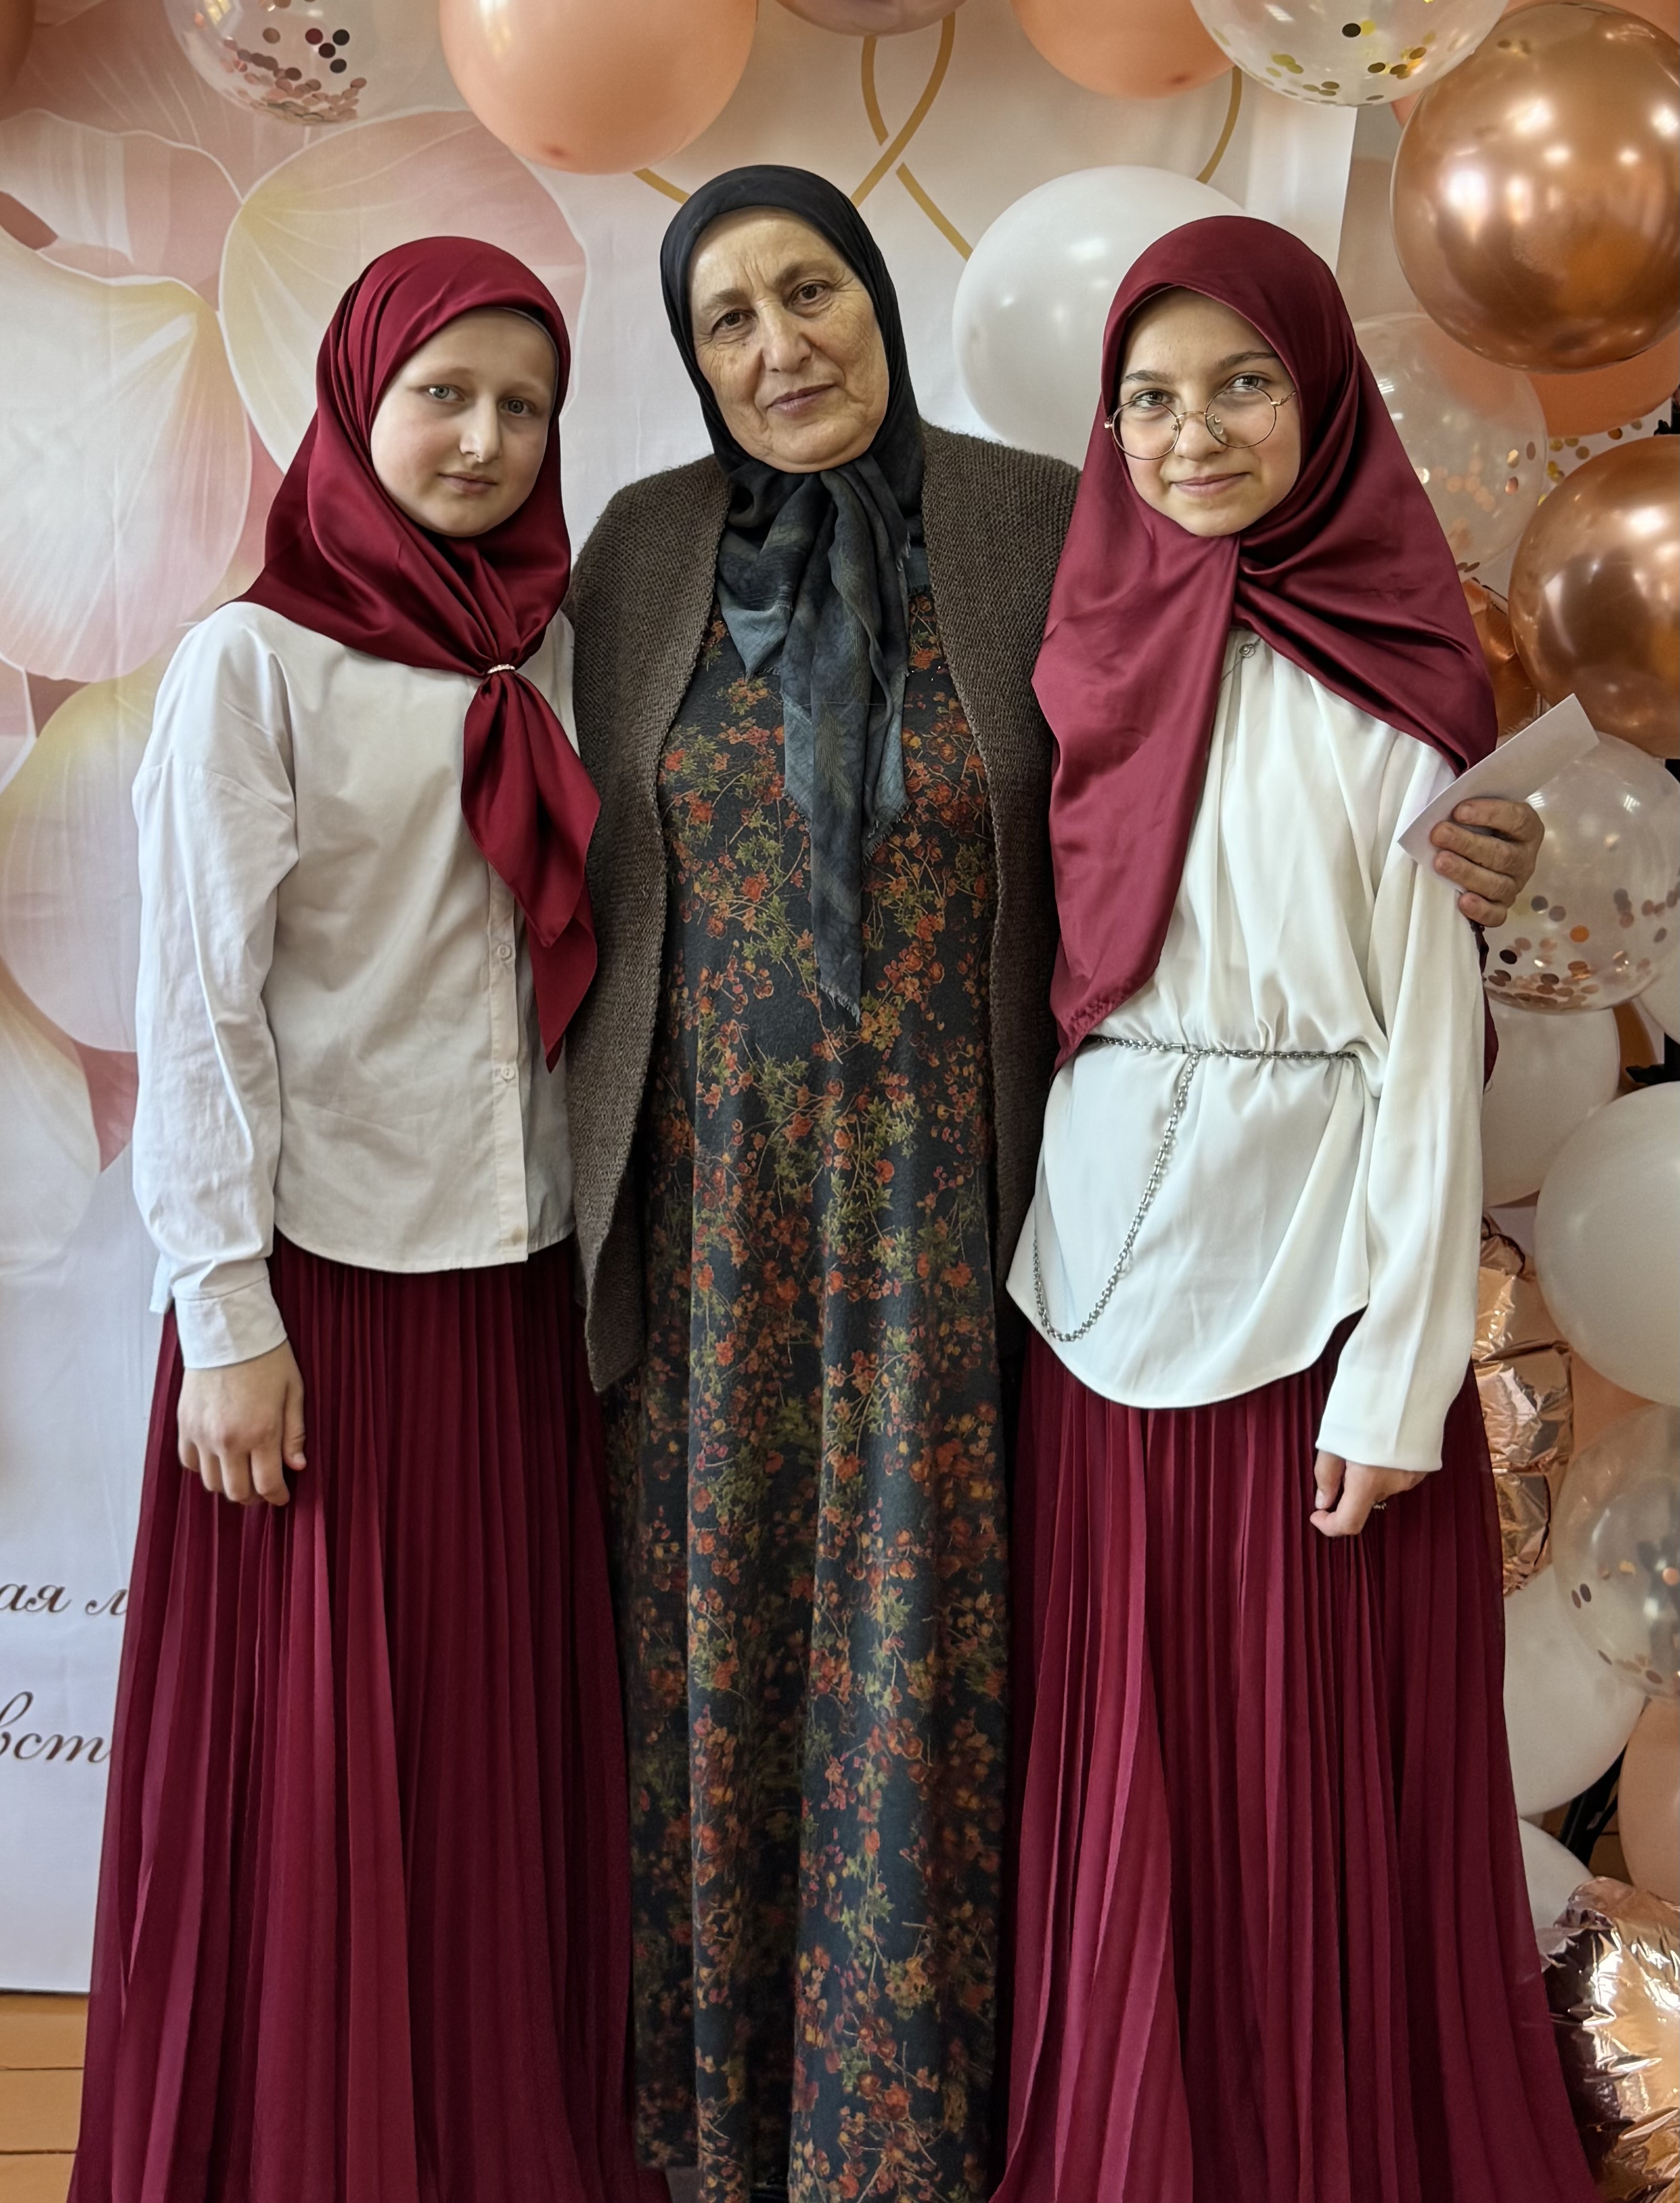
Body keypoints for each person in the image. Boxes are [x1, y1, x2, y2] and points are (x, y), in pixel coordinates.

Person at [559, 167, 1544, 2203]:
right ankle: (720, 2142)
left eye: (814, 289)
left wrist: (1477, 845)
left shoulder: (1040, 522)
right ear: (690, 356)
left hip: (971, 1222)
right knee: (717, 1678)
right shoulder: (639, 551)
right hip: (723, 1232)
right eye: (729, 317)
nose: (782, 345)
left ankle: (920, 2145)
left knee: (946, 1687)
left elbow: (1261, 696)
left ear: (879, 294)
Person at [997, 216, 1595, 2203]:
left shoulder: (1405, 700)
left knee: (1286, 1766)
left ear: (1324, 397)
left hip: (1312, 1304)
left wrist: (1398, 1385)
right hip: (1096, 1287)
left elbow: (1423, 1070)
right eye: (1150, 400)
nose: (1194, 435)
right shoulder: (1089, 653)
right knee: (1129, 1754)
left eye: (1243, 383)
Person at [72, 241, 655, 2203]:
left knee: (483, 1753)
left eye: (524, 406)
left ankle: (493, 2137)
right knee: (325, 1759)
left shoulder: (549, 653)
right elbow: (195, 1007)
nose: (484, 440)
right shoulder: (253, 666)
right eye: (443, 396)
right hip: (324, 1289)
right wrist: (224, 1316)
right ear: (354, 402)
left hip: (515, 1284)